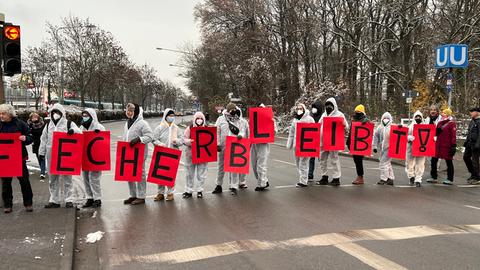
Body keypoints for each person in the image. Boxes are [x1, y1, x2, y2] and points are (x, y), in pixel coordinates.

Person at [39, 103, 82, 208]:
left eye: (58, 112)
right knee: (53, 178)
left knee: (67, 178)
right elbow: (44, 139)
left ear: (62, 113)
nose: (55, 114)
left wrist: (73, 131)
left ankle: (69, 199)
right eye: (54, 112)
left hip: (65, 155)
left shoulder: (68, 123)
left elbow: (80, 133)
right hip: (52, 155)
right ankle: (54, 200)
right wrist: (41, 152)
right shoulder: (48, 125)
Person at [0, 104, 34, 213]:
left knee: (24, 181)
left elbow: (30, 137)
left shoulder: (20, 124)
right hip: (4, 159)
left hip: (19, 158)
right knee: (6, 183)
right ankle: (7, 205)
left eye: (3, 114)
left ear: (10, 114)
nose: (1, 116)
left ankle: (28, 203)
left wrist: (25, 138)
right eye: (0, 114)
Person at [212, 103, 248, 195]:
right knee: (221, 167)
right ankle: (218, 185)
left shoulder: (238, 119)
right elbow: (217, 131)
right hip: (223, 146)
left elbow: (242, 129)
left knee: (233, 167)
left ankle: (233, 186)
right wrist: (217, 144)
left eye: (234, 109)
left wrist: (241, 135)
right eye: (231, 110)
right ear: (227, 110)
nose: (233, 111)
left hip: (235, 146)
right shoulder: (221, 119)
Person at [122, 103, 154, 205]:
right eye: (128, 111)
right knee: (129, 173)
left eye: (131, 111)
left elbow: (150, 136)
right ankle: (133, 195)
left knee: (140, 173)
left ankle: (141, 196)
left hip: (139, 153)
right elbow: (125, 137)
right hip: (128, 152)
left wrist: (139, 139)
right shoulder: (127, 123)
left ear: (136, 112)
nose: (129, 113)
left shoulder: (143, 123)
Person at [317, 97, 349, 186]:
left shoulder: (339, 115)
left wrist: (344, 125)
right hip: (323, 141)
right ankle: (324, 176)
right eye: (326, 105)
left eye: (330, 105)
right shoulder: (324, 115)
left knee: (334, 159)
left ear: (334, 105)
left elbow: (346, 127)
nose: (328, 107)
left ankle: (336, 178)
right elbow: (319, 125)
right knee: (322, 159)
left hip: (333, 141)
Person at [153, 108, 181, 201]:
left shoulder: (176, 128)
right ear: (165, 116)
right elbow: (154, 139)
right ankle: (160, 193)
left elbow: (182, 139)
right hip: (161, 153)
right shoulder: (159, 127)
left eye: (173, 116)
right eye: (170, 116)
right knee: (160, 173)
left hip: (172, 153)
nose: (171, 117)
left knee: (170, 174)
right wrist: (159, 144)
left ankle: (170, 193)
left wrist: (177, 141)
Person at [79, 109, 105, 208]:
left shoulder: (100, 127)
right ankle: (89, 197)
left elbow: (105, 141)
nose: (84, 117)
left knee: (94, 178)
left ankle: (97, 198)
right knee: (85, 178)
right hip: (85, 156)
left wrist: (99, 133)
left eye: (86, 115)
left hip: (96, 157)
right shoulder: (81, 127)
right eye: (83, 115)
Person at [286, 103, 315, 188]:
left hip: (306, 145)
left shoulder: (310, 119)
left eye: (301, 108)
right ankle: (303, 177)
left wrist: (314, 145)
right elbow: (291, 133)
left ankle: (303, 181)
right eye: (298, 108)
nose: (299, 110)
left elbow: (314, 132)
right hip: (297, 145)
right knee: (298, 163)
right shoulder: (295, 120)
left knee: (303, 163)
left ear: (304, 109)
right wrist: (289, 144)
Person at [428, 108, 456, 185]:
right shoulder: (440, 122)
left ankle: (450, 179)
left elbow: (453, 135)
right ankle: (434, 177)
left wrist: (453, 145)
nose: (442, 114)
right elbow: (435, 132)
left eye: (444, 113)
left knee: (448, 161)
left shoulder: (451, 123)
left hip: (447, 146)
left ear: (447, 114)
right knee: (433, 160)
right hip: (438, 145)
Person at [182, 112, 208, 198]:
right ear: (194, 119)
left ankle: (199, 190)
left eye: (201, 119)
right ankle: (189, 190)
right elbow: (184, 139)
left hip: (202, 155)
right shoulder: (190, 128)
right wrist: (189, 142)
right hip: (190, 155)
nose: (199, 120)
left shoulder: (207, 129)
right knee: (189, 174)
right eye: (197, 118)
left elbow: (211, 140)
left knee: (201, 174)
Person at [251, 103, 275, 192]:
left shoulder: (269, 118)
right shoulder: (254, 118)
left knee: (261, 165)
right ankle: (264, 180)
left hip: (263, 144)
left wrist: (271, 122)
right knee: (254, 165)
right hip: (254, 144)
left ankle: (261, 184)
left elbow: (274, 131)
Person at [347, 105, 369, 185]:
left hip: (360, 144)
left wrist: (365, 121)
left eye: (358, 112)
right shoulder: (354, 120)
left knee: (358, 161)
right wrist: (348, 142)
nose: (357, 113)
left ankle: (360, 177)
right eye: (356, 112)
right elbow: (351, 133)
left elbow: (368, 124)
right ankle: (359, 177)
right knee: (356, 161)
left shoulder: (364, 120)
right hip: (354, 143)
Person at [373, 112, 395, 185]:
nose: (386, 120)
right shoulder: (380, 127)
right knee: (387, 163)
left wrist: (400, 127)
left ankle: (384, 178)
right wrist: (374, 146)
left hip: (389, 148)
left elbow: (400, 134)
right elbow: (376, 137)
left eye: (387, 118)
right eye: (384, 118)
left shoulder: (392, 127)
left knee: (383, 162)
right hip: (382, 148)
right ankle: (390, 178)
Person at [406, 110, 426, 187]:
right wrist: (409, 138)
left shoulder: (425, 126)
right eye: (416, 117)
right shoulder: (410, 126)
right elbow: (405, 135)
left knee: (420, 164)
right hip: (410, 147)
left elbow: (429, 135)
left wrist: (433, 139)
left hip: (421, 148)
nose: (418, 118)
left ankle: (418, 179)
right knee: (409, 163)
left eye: (419, 117)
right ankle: (411, 176)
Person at [463, 107, 480, 184]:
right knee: (466, 157)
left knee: (475, 161)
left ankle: (477, 177)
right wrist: (466, 142)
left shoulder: (479, 121)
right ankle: (473, 173)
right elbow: (469, 132)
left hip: (476, 144)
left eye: (472, 111)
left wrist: (477, 144)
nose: (471, 113)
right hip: (469, 143)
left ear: (477, 112)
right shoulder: (472, 121)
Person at [308, 100, 323, 181]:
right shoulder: (311, 117)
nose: (314, 109)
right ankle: (310, 174)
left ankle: (323, 175)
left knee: (321, 159)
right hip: (312, 140)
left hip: (320, 140)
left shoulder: (323, 117)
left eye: (315, 108)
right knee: (311, 158)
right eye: (313, 107)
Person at [28, 112, 46, 179]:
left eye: (36, 117)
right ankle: (42, 169)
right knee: (38, 157)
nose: (34, 118)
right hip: (35, 143)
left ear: (38, 117)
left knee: (42, 157)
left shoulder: (42, 124)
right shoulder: (30, 125)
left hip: (42, 142)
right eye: (33, 117)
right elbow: (28, 133)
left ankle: (42, 172)